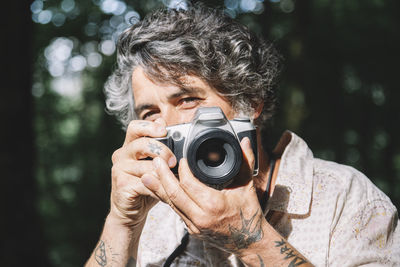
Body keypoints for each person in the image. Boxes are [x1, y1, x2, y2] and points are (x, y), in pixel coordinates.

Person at [85, 3, 400, 267]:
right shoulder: (155, 216)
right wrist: (121, 223)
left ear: (249, 102)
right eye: (149, 113)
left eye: (187, 100)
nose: (165, 126)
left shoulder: (345, 198)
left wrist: (251, 240)